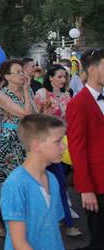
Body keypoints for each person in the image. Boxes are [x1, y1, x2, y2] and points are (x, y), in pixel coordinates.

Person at [0, 114, 67, 250]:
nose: (64, 146)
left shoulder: (52, 179)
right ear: (36, 145)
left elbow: (52, 227)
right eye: (58, 141)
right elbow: (19, 243)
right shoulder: (15, 184)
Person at [0, 59, 34, 238]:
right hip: (9, 140)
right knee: (2, 181)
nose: (22, 75)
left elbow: (34, 115)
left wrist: (27, 93)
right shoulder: (2, 95)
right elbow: (26, 114)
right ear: (7, 76)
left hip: (25, 140)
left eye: (22, 71)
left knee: (24, 181)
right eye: (18, 72)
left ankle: (19, 220)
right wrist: (27, 92)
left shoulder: (28, 93)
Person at [33, 64, 82, 237]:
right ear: (51, 77)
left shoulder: (68, 95)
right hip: (45, 146)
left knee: (60, 185)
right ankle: (45, 224)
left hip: (64, 145)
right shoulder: (42, 94)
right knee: (43, 186)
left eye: (64, 77)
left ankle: (67, 224)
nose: (63, 80)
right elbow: (34, 118)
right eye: (59, 76)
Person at [66, 48, 104, 249]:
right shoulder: (78, 103)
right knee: (99, 238)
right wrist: (86, 189)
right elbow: (77, 149)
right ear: (91, 69)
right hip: (97, 183)